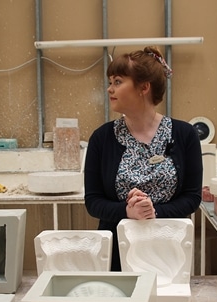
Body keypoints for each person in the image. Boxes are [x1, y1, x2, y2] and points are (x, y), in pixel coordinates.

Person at [84, 46, 203, 271]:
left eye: (118, 81)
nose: (110, 89)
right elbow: (93, 201)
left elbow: (192, 197)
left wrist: (153, 211)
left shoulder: (184, 134)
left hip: (169, 249)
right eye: (110, 82)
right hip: (118, 253)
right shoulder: (102, 138)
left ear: (144, 87)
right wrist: (127, 211)